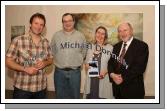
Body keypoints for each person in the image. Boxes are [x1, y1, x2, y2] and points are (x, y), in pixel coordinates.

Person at [5, 13, 53, 99]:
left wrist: (45, 63)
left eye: (41, 24)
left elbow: (50, 59)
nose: (38, 26)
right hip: (22, 89)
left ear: (44, 27)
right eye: (36, 23)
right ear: (30, 24)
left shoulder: (46, 42)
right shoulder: (18, 40)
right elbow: (8, 62)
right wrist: (25, 69)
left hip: (41, 88)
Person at [108, 22, 149, 99]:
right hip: (117, 90)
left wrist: (121, 78)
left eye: (125, 30)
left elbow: (139, 68)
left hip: (133, 91)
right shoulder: (116, 46)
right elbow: (110, 63)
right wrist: (112, 74)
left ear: (131, 31)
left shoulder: (142, 46)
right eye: (120, 31)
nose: (122, 33)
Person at [51, 13, 86, 99]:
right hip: (59, 73)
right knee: (60, 97)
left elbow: (84, 52)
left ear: (74, 22)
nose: (67, 23)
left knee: (75, 97)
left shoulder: (81, 36)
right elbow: (52, 51)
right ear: (62, 23)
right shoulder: (56, 36)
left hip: (75, 73)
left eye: (70, 20)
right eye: (65, 21)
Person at [84, 26, 114, 99]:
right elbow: (86, 65)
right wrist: (94, 55)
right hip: (92, 80)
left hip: (104, 79)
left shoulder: (110, 48)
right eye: (98, 33)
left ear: (105, 36)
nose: (100, 35)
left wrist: (105, 72)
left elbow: (112, 65)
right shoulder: (90, 47)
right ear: (95, 34)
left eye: (102, 34)